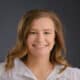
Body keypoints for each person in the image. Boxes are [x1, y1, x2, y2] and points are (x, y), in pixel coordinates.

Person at [0, 9, 80, 80]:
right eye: (33, 32)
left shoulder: (75, 76)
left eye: (46, 33)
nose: (40, 39)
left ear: (55, 37)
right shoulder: (3, 73)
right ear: (23, 37)